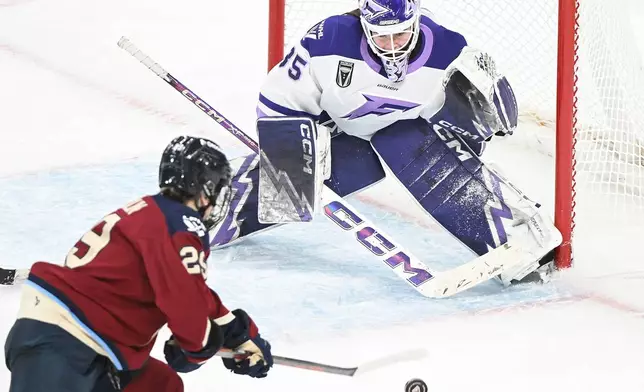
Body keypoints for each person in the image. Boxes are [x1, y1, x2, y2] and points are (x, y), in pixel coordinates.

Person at [211, 0, 562, 286]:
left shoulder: (450, 52)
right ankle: (211, 214)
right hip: (336, 133)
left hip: (401, 139)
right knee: (290, 189)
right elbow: (277, 100)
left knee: (401, 143)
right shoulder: (329, 40)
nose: (393, 48)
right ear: (365, 28)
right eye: (382, 38)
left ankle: (510, 239)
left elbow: (471, 140)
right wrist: (292, 154)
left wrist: (482, 118)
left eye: (400, 36)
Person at [4, 136, 273, 392]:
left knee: (160, 385)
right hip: (63, 340)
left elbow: (190, 290)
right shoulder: (179, 224)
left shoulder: (155, 214)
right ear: (205, 190)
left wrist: (238, 334)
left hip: (90, 346)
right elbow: (183, 300)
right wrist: (200, 346)